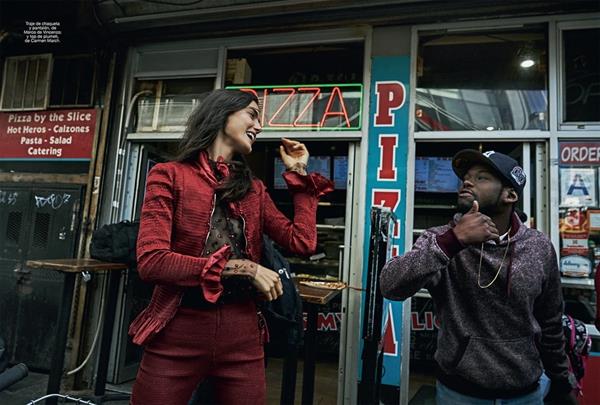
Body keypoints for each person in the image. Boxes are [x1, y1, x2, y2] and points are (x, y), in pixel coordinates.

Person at [128, 89, 333, 405]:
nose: (259, 125)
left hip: (243, 334)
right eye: (252, 114)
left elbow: (302, 242)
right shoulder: (168, 175)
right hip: (178, 329)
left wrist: (298, 173)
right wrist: (243, 267)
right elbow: (152, 261)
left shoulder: (253, 190)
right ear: (222, 114)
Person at [380, 149, 576, 404]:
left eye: (482, 177)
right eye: (466, 177)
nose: (467, 181)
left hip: (526, 392)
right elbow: (389, 285)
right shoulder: (440, 239)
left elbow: (550, 321)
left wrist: (561, 381)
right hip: (459, 392)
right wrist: (452, 241)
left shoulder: (538, 247)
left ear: (510, 195)